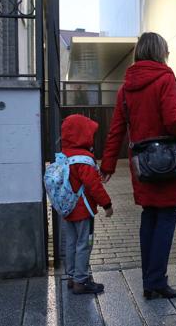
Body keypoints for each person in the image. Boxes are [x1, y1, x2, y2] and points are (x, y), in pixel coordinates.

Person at [101, 32, 176, 300]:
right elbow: (173, 120)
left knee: (150, 218)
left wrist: (108, 164)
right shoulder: (165, 78)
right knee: (166, 218)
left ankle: (150, 281)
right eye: (166, 51)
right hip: (167, 163)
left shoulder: (125, 88)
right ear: (159, 52)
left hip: (142, 165)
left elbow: (117, 129)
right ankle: (157, 282)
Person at [61, 114, 114, 295]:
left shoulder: (64, 156)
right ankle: (81, 281)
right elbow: (94, 186)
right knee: (84, 243)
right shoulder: (83, 159)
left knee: (71, 242)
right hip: (83, 211)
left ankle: (71, 276)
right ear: (83, 134)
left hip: (67, 209)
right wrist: (107, 204)